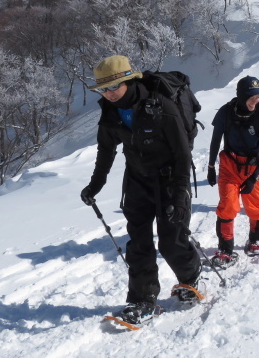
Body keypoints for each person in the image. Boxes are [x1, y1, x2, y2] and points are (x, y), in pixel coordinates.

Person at [80, 55, 201, 325]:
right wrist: (95, 185)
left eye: (113, 87)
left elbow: (183, 155)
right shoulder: (110, 111)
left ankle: (191, 277)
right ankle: (143, 298)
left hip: (170, 180)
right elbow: (106, 150)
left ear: (128, 80)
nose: (109, 94)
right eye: (103, 89)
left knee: (171, 240)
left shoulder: (161, 106)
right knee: (139, 243)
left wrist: (180, 194)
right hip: (137, 180)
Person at [207, 76, 259, 265]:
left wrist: (254, 176)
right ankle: (225, 249)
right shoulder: (226, 112)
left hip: (254, 165)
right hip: (230, 164)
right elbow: (215, 140)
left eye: (258, 96)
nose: (256, 100)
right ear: (241, 96)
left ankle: (255, 238)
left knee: (254, 206)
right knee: (227, 205)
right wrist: (211, 167)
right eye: (251, 96)